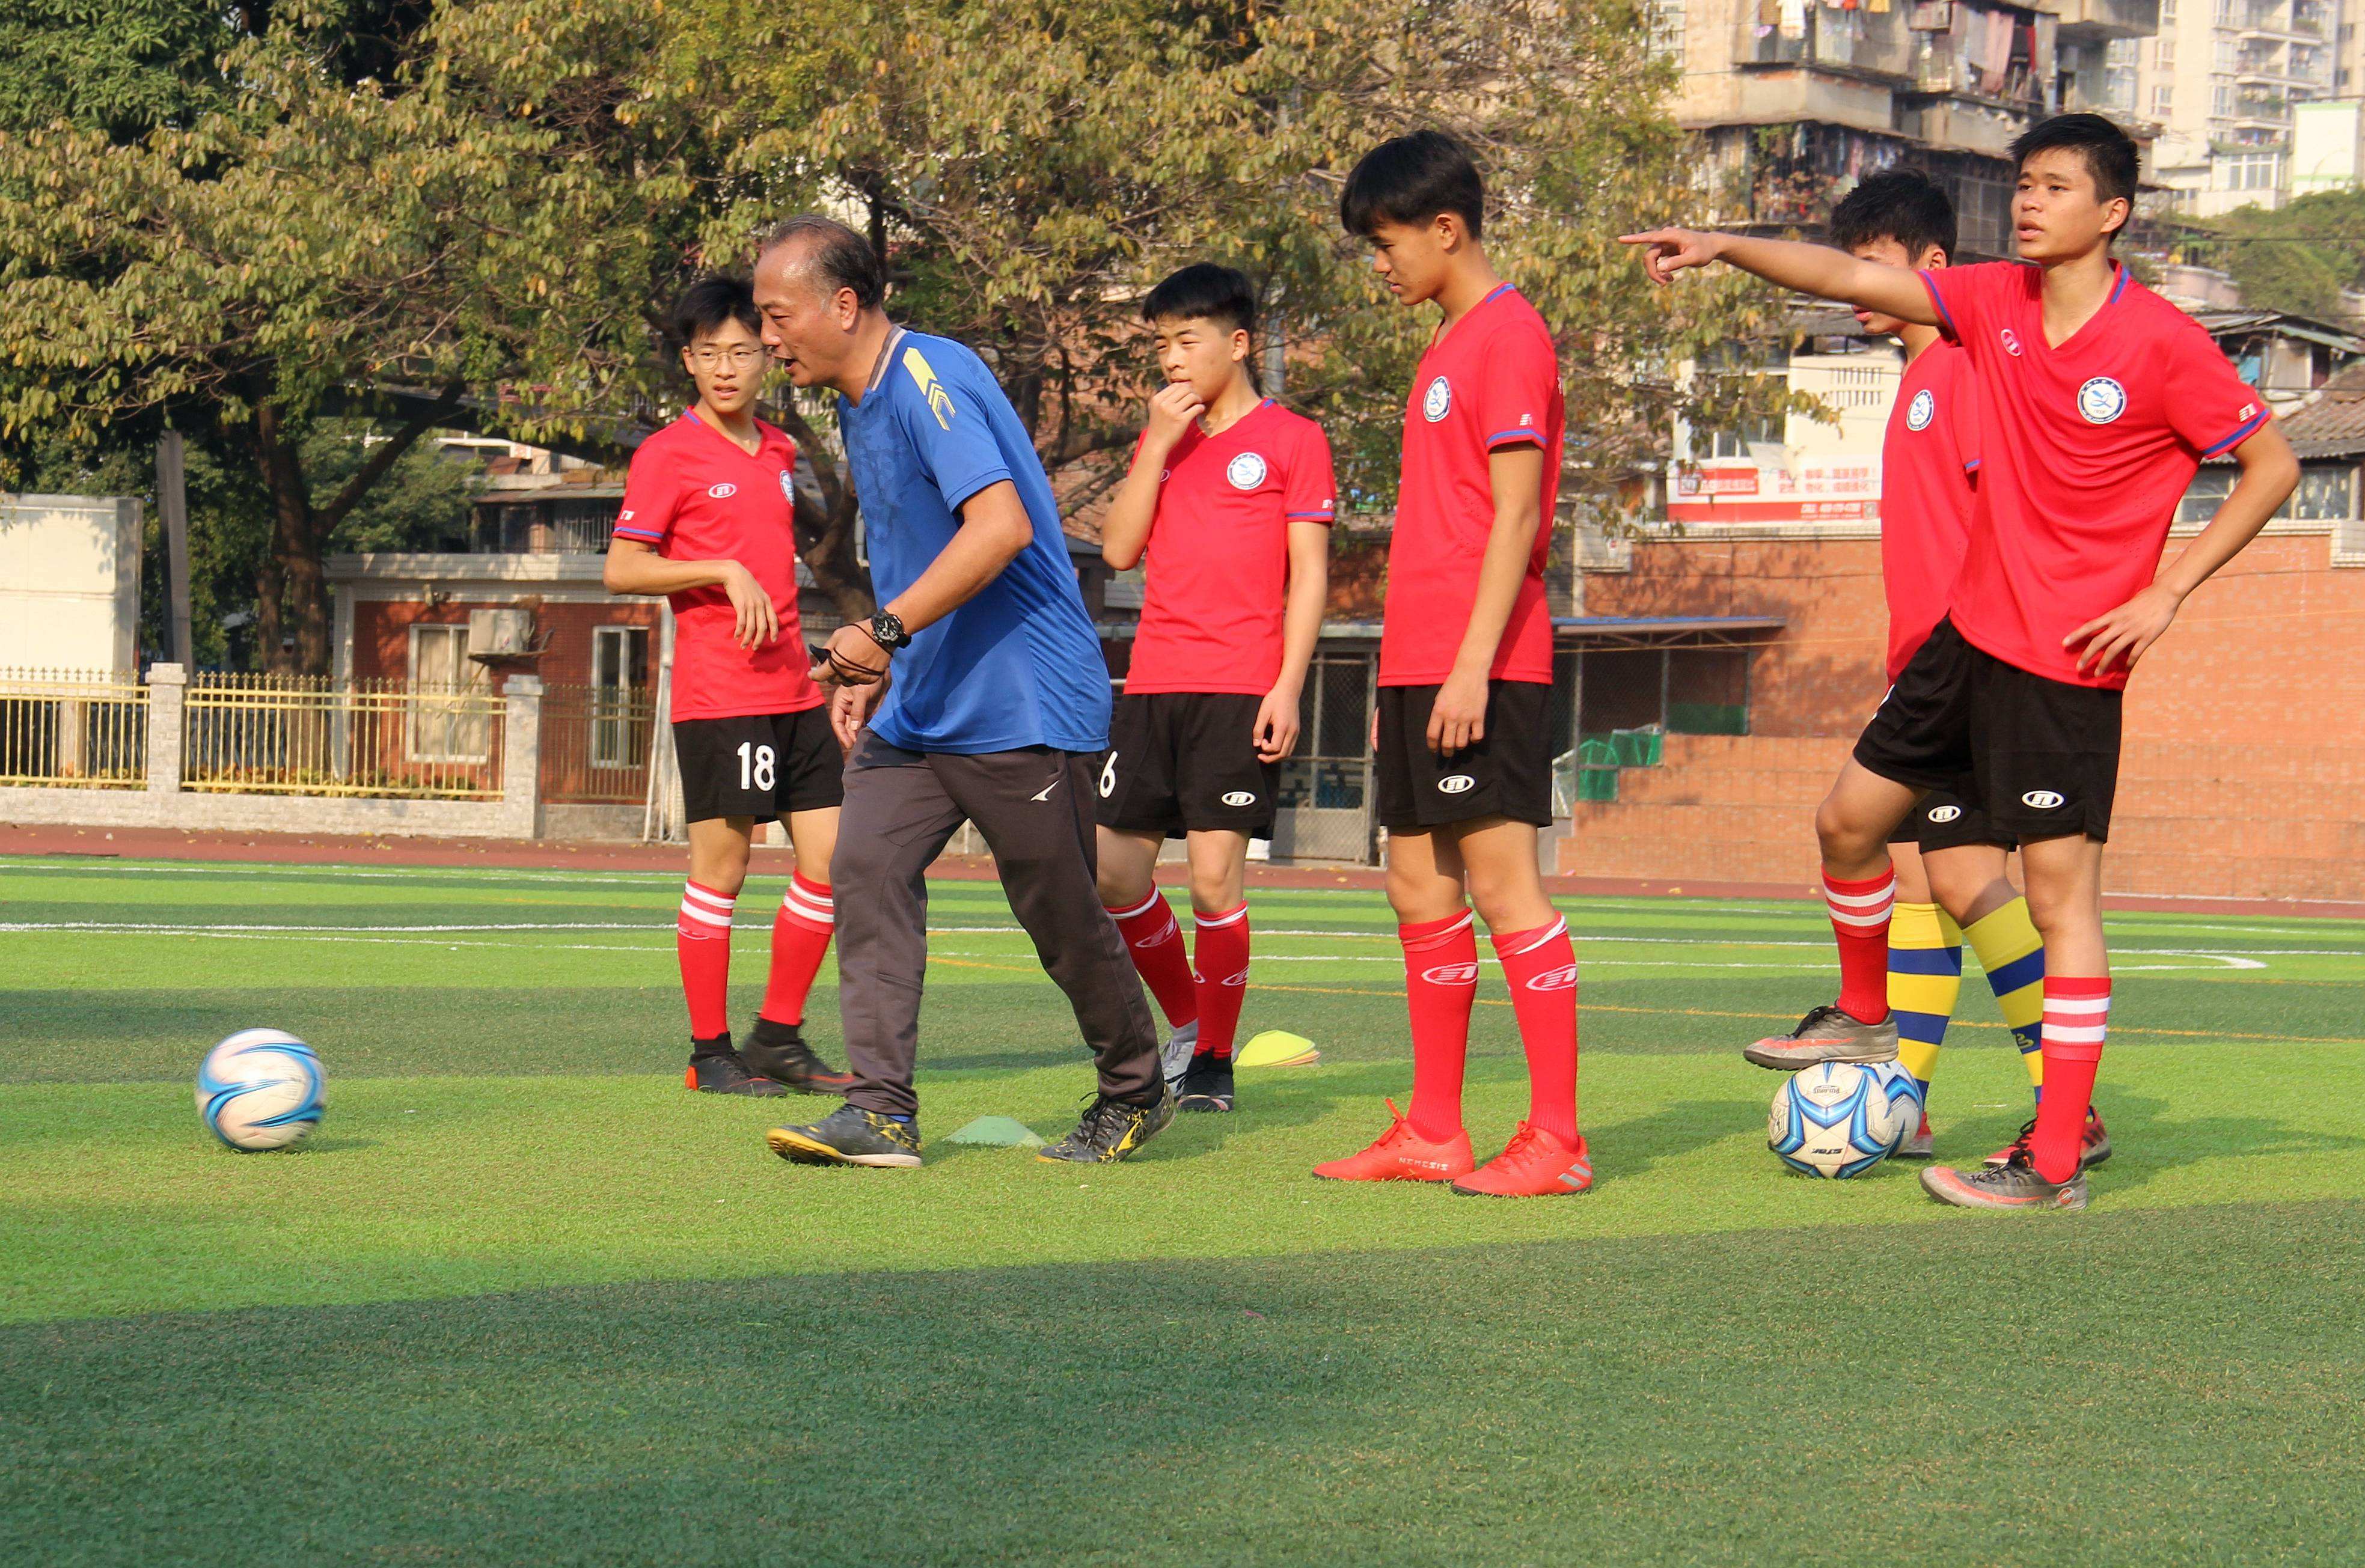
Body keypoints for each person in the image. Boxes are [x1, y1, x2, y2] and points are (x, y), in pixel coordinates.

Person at [1624, 114, 2298, 1209]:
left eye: (2055, 186)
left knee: (2056, 894)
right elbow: (1845, 270)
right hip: (1960, 645)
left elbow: (2266, 463)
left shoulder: (2163, 343)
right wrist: (1723, 243)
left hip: (2064, 660)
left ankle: (2055, 1154)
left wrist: (2166, 591)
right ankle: (1865, 1010)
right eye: (2022, 183)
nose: (2028, 201)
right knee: (1846, 821)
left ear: (2111, 213)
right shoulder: (1993, 303)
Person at [748, 215, 1173, 1169]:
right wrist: (888, 661)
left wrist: (880, 629)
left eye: (777, 315)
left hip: (1020, 694)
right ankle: (879, 1110)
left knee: (1057, 906)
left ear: (842, 304)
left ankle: (1135, 1086)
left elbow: (1001, 527)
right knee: (863, 865)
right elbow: (928, 552)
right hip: (925, 701)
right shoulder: (858, 401)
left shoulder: (926, 376)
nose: (767, 338)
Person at [1743, 169, 2079, 1169]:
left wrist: (1964, 653)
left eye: (1870, 264)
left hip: (1964, 660)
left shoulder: (1966, 370)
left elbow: (2006, 512)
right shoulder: (1921, 378)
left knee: (1857, 831)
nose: (1854, 284)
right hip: (1936, 660)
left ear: (1932, 267)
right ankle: (1920, 1099)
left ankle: (1882, 1034)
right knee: (1957, 878)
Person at [1311, 131, 1589, 1198]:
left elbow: (1518, 513)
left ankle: (1556, 1139)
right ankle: (1433, 1130)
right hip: (1420, 658)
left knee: (1505, 890)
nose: (1378, 264)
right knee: (1415, 883)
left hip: (1486, 661)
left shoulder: (1509, 334)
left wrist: (1473, 663)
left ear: (1445, 228)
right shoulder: (1443, 347)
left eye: (1383, 244)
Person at [602, 275, 853, 1100]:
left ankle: (777, 1036)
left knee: (832, 861)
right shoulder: (667, 454)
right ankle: (709, 1053)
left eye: (740, 352)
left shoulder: (780, 451)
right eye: (707, 354)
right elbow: (622, 567)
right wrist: (719, 567)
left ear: (764, 358)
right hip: (721, 693)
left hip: (792, 691)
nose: (724, 368)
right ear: (688, 360)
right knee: (725, 864)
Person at [1095, 263, 1335, 1114]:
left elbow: (1308, 576)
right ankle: (1193, 1021)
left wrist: (1287, 686)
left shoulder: (1293, 440)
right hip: (1154, 682)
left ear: (1236, 345)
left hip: (1239, 686)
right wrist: (1156, 446)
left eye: (1183, 340)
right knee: (1114, 873)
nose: (1169, 359)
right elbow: (1119, 551)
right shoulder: (1161, 439)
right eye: (1159, 343)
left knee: (1212, 882)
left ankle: (1215, 1062)